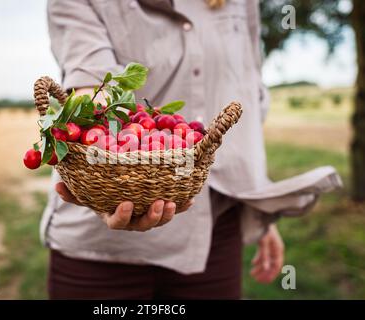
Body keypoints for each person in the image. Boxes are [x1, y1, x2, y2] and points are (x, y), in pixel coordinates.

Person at [42, 0, 341, 299]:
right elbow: (92, 81)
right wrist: (90, 113)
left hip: (214, 229)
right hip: (100, 250)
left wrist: (259, 212)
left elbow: (247, 90)